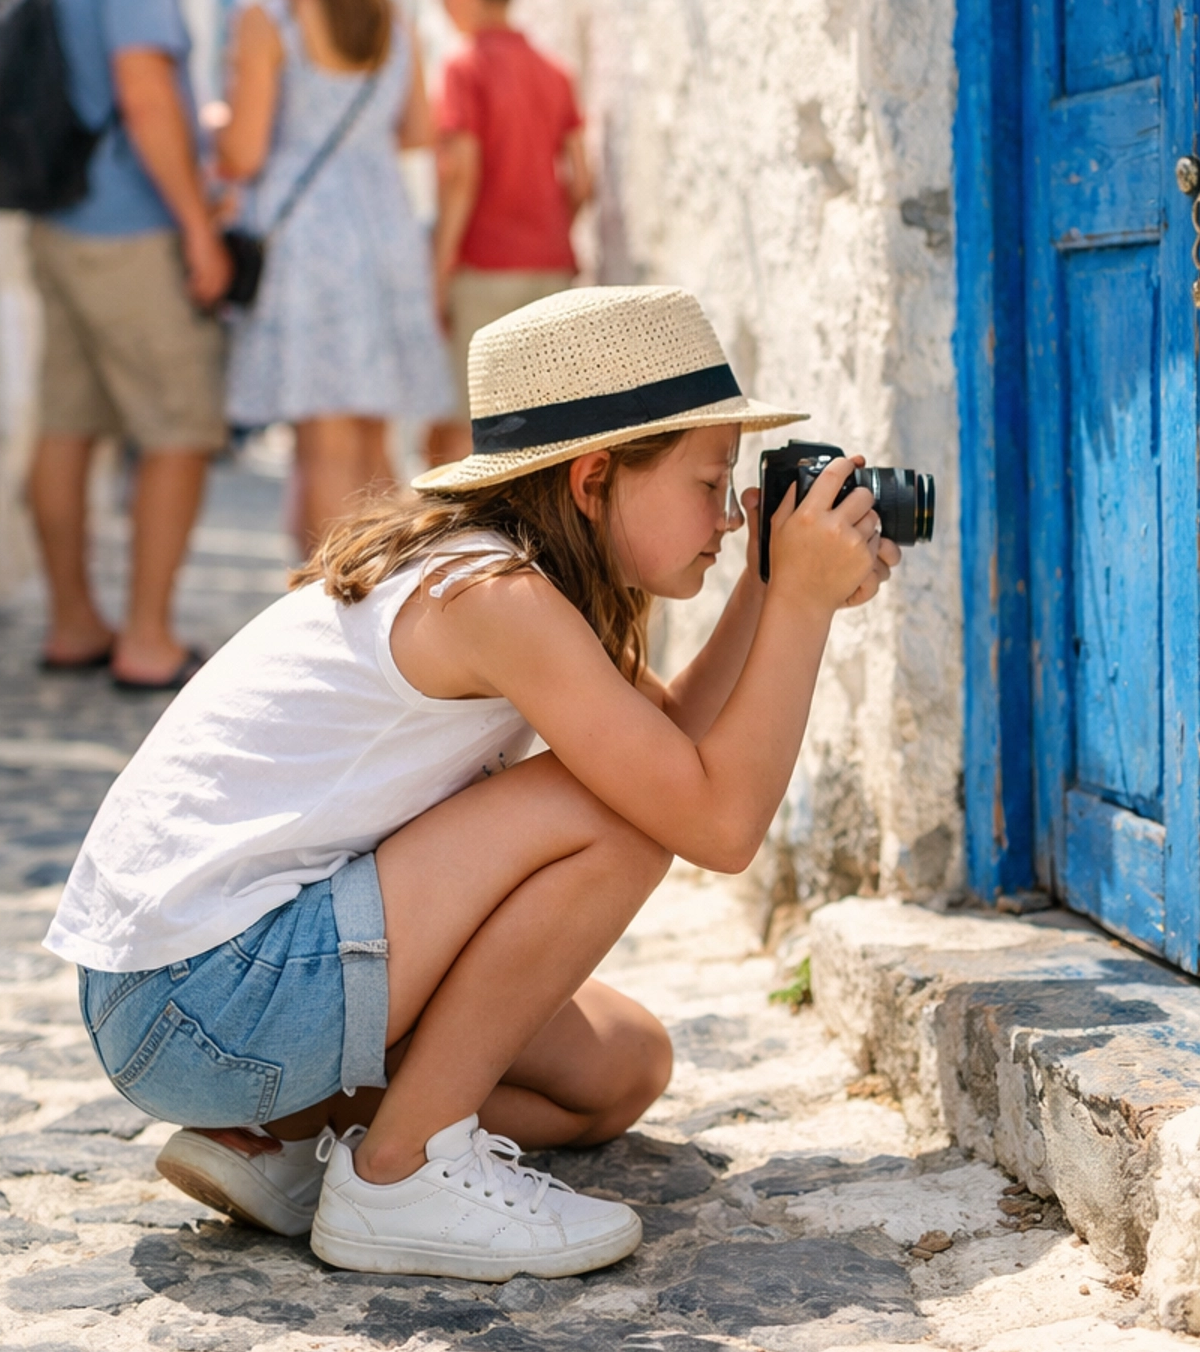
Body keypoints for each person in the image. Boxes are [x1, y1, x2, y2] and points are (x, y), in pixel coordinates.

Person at [46, 285, 899, 1280]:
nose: (725, 514)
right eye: (710, 483)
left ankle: (290, 1138)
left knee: (621, 1070)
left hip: (193, 998)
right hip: (201, 997)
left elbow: (670, 746)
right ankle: (401, 1173)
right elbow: (711, 818)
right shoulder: (496, 598)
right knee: (614, 814)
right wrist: (800, 607)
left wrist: (764, 588)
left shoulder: (512, 580)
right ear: (593, 480)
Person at [27, 0, 231, 693]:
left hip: (59, 226)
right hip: (131, 229)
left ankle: (74, 621)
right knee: (180, 426)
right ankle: (147, 640)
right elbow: (146, 94)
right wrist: (197, 225)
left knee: (66, 425)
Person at [212, 0, 456, 552]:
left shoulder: (269, 16)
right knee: (374, 439)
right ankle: (388, 610)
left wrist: (218, 126)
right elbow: (417, 131)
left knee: (321, 439)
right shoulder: (389, 15)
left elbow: (245, 151)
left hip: (307, 235)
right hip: (383, 222)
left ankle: (330, 608)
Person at [424, 0, 591, 468]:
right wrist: (547, 231)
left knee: (464, 435)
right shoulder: (554, 71)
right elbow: (582, 179)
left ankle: (457, 553)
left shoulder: (462, 66)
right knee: (540, 437)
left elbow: (462, 171)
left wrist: (441, 267)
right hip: (551, 270)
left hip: (484, 270)